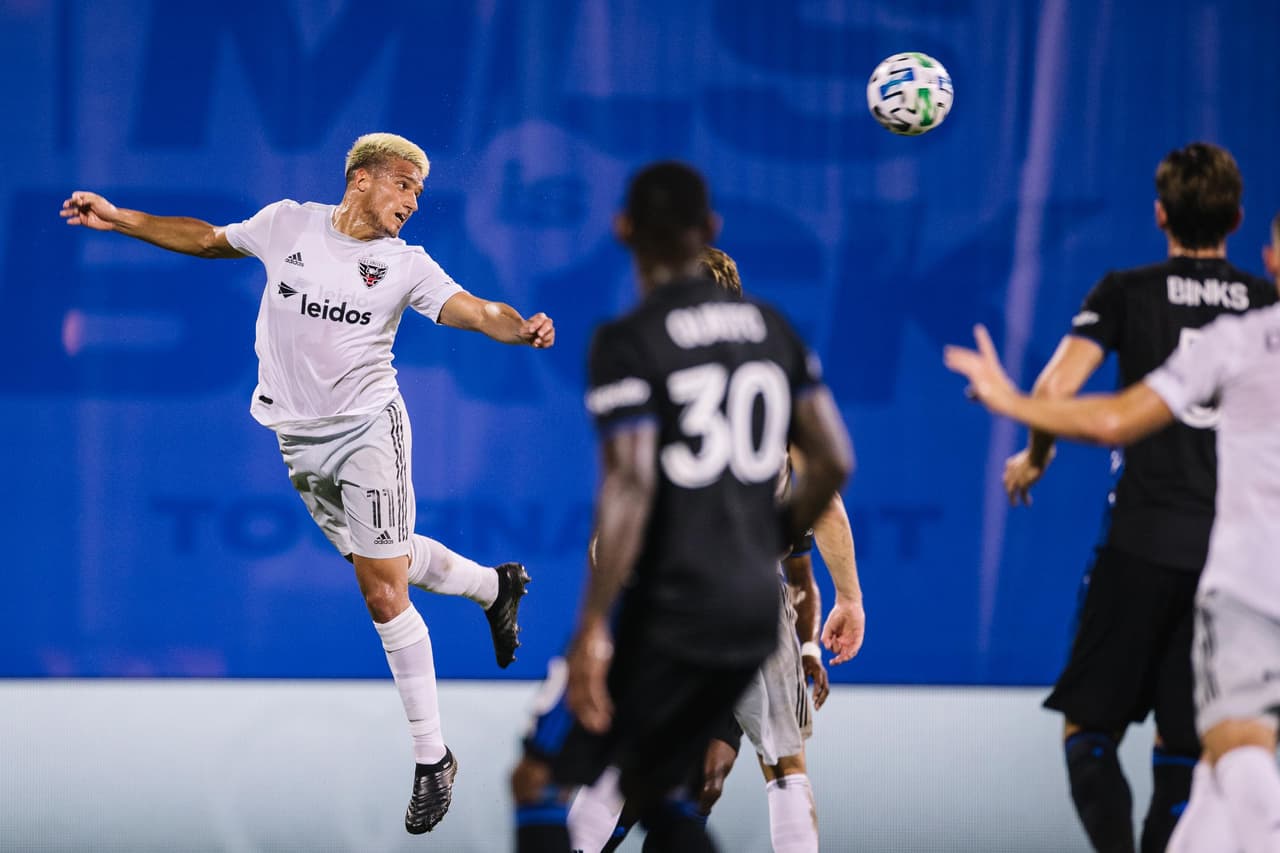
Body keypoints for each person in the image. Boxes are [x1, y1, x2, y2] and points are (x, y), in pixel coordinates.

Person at [59, 132, 552, 835]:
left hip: (368, 432)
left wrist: (520, 328)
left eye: (418, 192)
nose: (412, 202)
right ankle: (493, 586)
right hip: (296, 438)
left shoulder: (405, 264)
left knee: (382, 588)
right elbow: (208, 240)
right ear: (361, 179)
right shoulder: (287, 223)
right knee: (382, 556)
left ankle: (432, 757)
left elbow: (475, 310)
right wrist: (120, 219)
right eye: (403, 184)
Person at [510, 162, 854, 853]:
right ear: (710, 226)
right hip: (754, 603)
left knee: (545, 777)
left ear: (623, 229)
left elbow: (630, 485)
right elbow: (832, 463)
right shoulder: (774, 332)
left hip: (669, 597)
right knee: (751, 772)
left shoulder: (631, 338)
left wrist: (592, 625)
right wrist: (770, 545)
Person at [998, 142, 1277, 852]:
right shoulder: (1265, 307)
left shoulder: (1126, 290)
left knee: (1088, 730)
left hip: (1141, 540)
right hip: (1229, 562)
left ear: (1160, 214)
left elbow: (1055, 391)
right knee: (1186, 744)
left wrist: (1035, 459)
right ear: (1238, 219)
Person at [943, 299, 1280, 853]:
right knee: (1208, 770)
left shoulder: (1238, 338)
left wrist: (1011, 401)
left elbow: (1113, 420)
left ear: (1271, 260)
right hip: (1225, 571)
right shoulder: (1243, 313)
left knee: (1234, 744)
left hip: (1242, 577)